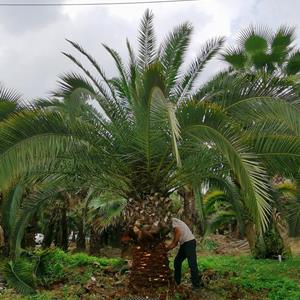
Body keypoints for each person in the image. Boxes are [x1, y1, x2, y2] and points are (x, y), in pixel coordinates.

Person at [166, 218, 201, 289]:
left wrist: (171, 245)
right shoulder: (174, 224)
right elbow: (175, 242)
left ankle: (196, 286)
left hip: (189, 242)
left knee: (192, 264)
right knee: (177, 261)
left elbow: (178, 232)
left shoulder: (173, 221)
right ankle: (177, 282)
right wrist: (169, 247)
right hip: (184, 243)